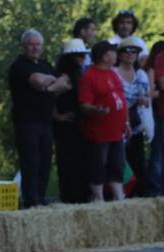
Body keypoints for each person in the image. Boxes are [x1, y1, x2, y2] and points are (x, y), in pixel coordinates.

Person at [8, 29, 71, 208]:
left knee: (45, 162)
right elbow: (37, 81)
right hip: (26, 122)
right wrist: (51, 85)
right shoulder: (19, 65)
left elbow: (66, 83)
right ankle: (31, 201)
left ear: (42, 47)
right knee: (30, 162)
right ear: (24, 46)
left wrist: (48, 87)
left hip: (46, 121)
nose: (35, 48)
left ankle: (41, 199)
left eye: (38, 44)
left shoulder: (45, 64)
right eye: (31, 44)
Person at [79, 42, 129, 202]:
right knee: (98, 164)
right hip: (99, 132)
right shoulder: (89, 76)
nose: (116, 55)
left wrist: (127, 123)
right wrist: (97, 110)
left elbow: (122, 100)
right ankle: (98, 196)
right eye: (113, 52)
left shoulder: (113, 74)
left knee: (118, 164)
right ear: (104, 56)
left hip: (117, 130)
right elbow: (84, 105)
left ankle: (118, 195)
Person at [53, 40, 90, 204]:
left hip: (78, 124)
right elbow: (48, 98)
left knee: (80, 159)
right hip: (66, 126)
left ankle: (79, 193)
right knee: (68, 160)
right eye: (79, 55)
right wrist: (57, 116)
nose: (83, 58)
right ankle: (70, 195)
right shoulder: (63, 77)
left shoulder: (78, 74)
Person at [115, 37, 150, 197]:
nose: (130, 54)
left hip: (135, 124)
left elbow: (147, 98)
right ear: (120, 54)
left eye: (134, 51)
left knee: (138, 162)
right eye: (126, 51)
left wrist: (145, 100)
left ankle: (140, 195)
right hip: (117, 124)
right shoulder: (114, 73)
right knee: (118, 162)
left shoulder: (141, 74)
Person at [148, 41, 164, 195]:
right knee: (159, 154)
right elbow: (163, 84)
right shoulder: (162, 57)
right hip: (163, 112)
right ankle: (157, 191)